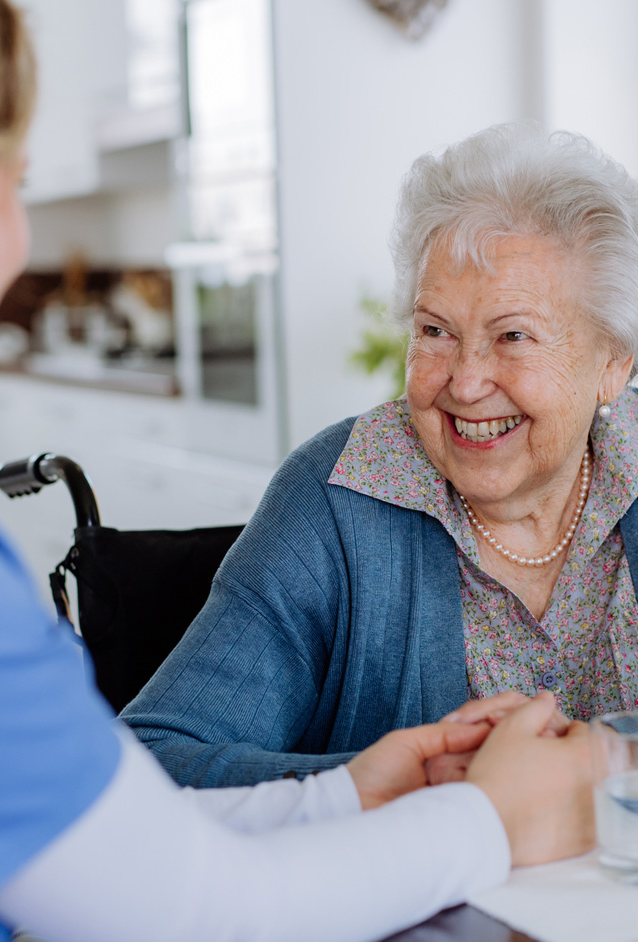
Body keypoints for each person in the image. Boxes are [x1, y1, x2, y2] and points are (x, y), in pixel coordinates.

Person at [0, 2, 598, 942]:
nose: (17, 240)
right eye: (14, 185)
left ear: (614, 362)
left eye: (513, 335)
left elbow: (131, 846)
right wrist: (481, 814)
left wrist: (345, 792)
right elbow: (194, 916)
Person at [123, 120, 638, 787]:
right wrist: (426, 781)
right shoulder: (332, 499)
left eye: (512, 335)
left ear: (613, 364)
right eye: (434, 331)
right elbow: (151, 761)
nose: (465, 380)